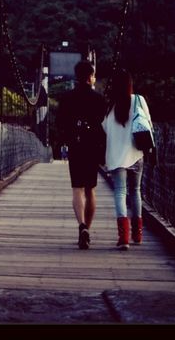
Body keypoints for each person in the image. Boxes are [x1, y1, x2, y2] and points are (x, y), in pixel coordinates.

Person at [56, 59, 106, 249]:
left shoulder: (67, 98)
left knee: (77, 188)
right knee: (90, 189)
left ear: (76, 76)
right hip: (92, 147)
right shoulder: (99, 99)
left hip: (75, 147)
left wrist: (66, 139)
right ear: (90, 77)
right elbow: (103, 126)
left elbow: (60, 124)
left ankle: (81, 226)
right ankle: (87, 229)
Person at [102, 68, 153, 249]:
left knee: (120, 192)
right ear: (130, 84)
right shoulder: (139, 100)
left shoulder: (110, 106)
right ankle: (138, 235)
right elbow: (148, 124)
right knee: (136, 191)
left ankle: (124, 237)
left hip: (117, 157)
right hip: (136, 154)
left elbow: (105, 129)